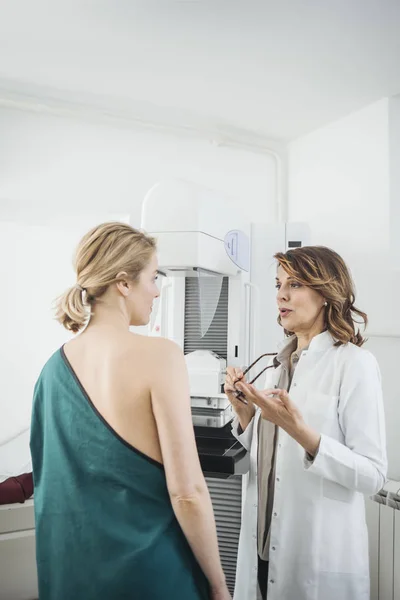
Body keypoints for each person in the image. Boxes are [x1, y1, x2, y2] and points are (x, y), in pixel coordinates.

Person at [30, 221, 231, 600]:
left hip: (71, 579)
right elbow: (188, 493)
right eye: (153, 278)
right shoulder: (161, 355)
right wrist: (219, 586)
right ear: (124, 283)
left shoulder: (51, 370)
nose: (156, 292)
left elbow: (52, 490)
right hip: (150, 575)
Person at [225, 246, 387, 600]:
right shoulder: (276, 366)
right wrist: (244, 413)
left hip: (315, 560)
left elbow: (373, 475)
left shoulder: (354, 364)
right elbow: (270, 459)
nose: (281, 294)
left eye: (295, 284)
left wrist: (300, 431)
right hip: (262, 550)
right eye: (279, 283)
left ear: (326, 294)